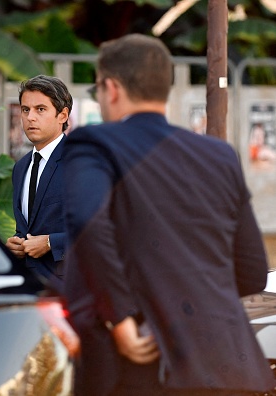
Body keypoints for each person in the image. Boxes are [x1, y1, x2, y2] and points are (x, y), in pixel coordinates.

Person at [62, 34, 275, 396]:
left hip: (145, 369)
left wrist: (120, 316)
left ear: (111, 88)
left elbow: (87, 222)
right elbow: (252, 270)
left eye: (98, 87)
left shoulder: (93, 144)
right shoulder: (219, 155)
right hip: (231, 366)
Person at [5, 75, 72, 281]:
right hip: (29, 286)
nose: (30, 117)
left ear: (62, 115)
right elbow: (27, 227)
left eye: (40, 109)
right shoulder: (21, 167)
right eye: (26, 110)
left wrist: (52, 243)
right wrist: (16, 243)